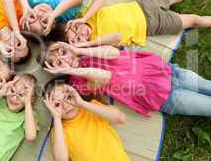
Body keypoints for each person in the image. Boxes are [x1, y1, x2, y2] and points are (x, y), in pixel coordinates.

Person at [42, 42, 211, 117]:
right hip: (159, 96)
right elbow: (105, 77)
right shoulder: (77, 83)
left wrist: (78, 50)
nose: (63, 60)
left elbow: (114, 53)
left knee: (206, 85)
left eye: (63, 53)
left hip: (165, 71)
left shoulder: (88, 49)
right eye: (58, 63)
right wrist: (71, 69)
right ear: (58, 71)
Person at [63, 0, 211, 47]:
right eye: (76, 40)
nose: (81, 34)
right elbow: (117, 37)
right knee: (195, 20)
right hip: (152, 24)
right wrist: (86, 45)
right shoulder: (97, 45)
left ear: (74, 23)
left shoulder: (86, 15)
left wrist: (85, 18)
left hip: (143, 5)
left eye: (76, 29)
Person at [43, 76, 130, 161]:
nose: (66, 106)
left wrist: (82, 103)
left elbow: (121, 119)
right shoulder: (59, 130)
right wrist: (57, 118)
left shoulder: (92, 108)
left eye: (68, 97)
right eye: (57, 104)